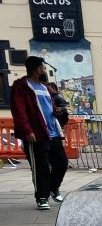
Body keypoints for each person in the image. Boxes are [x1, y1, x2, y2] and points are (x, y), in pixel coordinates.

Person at [10, 57, 69, 210]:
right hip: (36, 134)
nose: (44, 70)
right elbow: (18, 110)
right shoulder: (21, 86)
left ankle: (53, 188)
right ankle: (42, 197)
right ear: (36, 69)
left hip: (53, 133)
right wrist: (27, 130)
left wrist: (57, 111)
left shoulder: (44, 87)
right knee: (40, 167)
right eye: (42, 68)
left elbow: (48, 107)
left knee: (62, 162)